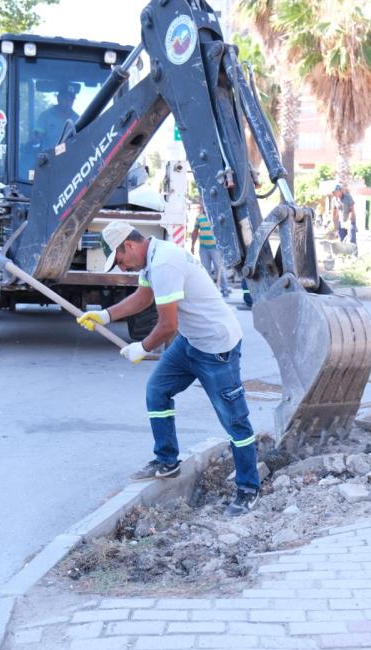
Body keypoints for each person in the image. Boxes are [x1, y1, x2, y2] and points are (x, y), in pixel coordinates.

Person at [76, 221, 261, 516]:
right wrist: (106, 315)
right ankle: (167, 461)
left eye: (120, 260)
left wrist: (142, 347)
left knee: (234, 420)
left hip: (217, 348)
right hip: (191, 342)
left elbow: (167, 325)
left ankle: (249, 489)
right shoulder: (153, 259)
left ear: (130, 245)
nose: (121, 267)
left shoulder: (164, 262)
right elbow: (144, 296)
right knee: (157, 390)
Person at [189, 202, 230, 297]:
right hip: (203, 248)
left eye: (205, 204)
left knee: (219, 269)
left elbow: (224, 230)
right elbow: (195, 232)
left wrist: (224, 246)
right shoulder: (199, 217)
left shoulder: (216, 216)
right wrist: (192, 245)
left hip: (216, 248)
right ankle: (208, 290)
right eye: (203, 205)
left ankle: (224, 289)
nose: (204, 206)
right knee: (205, 270)